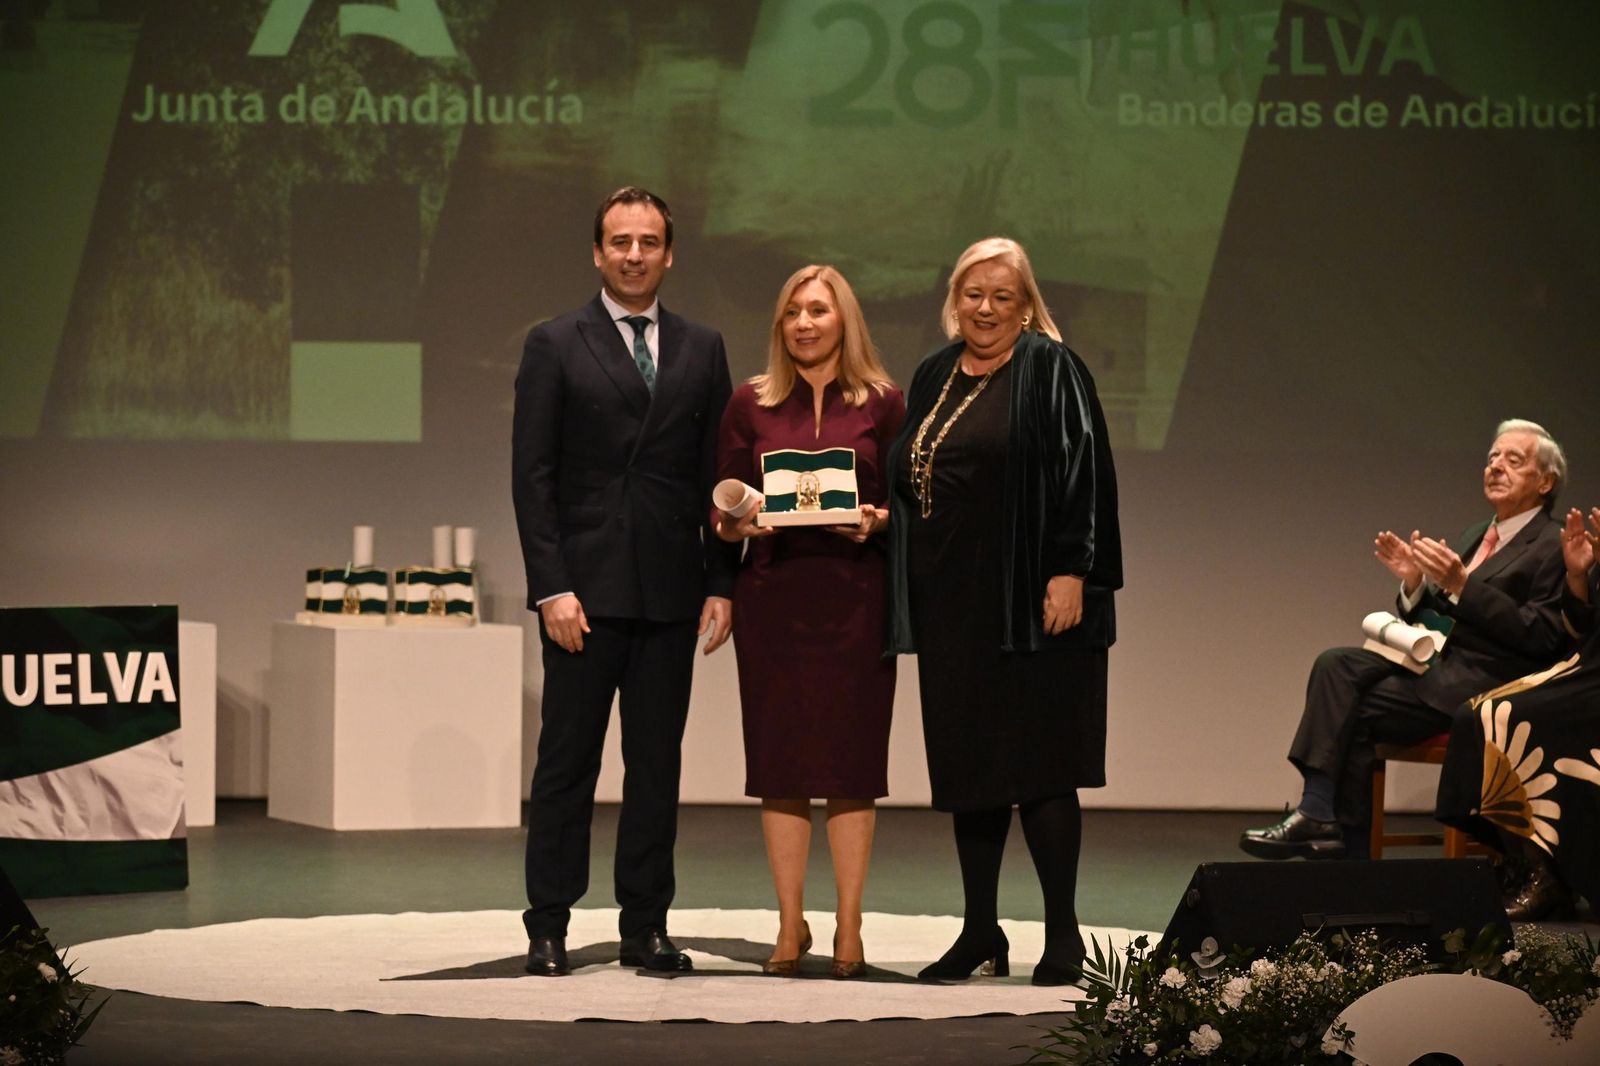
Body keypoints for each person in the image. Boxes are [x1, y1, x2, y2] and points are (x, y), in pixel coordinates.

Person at [884, 237, 1122, 986]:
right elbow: (917, 478)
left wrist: (1071, 569)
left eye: (1003, 297)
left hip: (1035, 600)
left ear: (1026, 306)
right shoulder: (931, 373)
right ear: (954, 299)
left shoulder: (1050, 367)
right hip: (953, 602)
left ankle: (1063, 937)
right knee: (971, 771)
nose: (985, 310)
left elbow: (1084, 472)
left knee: (1044, 769)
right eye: (973, 295)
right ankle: (981, 932)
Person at [512, 186, 738, 977]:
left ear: (669, 253)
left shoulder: (702, 348)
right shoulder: (554, 342)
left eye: (648, 242)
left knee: (656, 766)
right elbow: (532, 477)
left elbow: (719, 475)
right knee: (566, 765)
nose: (634, 254)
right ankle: (548, 926)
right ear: (597, 253)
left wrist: (722, 581)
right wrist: (551, 587)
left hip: (671, 593)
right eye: (620, 242)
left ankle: (645, 924)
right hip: (583, 596)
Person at [1240, 420, 1570, 860]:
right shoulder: (1478, 534)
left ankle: (1335, 837)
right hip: (1431, 661)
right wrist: (1415, 584)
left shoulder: (1555, 543)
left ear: (1546, 481)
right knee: (1335, 663)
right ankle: (1325, 822)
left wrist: (1461, 585)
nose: (1495, 468)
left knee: (1354, 714)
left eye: (1513, 461)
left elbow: (1541, 634)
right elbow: (1445, 613)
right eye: (1492, 458)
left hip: (1482, 682)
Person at [714, 265, 904, 978]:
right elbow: (721, 507)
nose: (803, 323)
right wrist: (739, 521)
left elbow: (906, 508)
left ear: (843, 320)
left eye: (818, 310)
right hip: (774, 602)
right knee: (782, 769)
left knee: (853, 769)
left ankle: (849, 926)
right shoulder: (749, 402)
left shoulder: (884, 404)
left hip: (856, 601)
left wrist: (877, 521)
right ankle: (789, 924)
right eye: (792, 310)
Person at [1436, 505, 1599, 920]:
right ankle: (1528, 865)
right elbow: (1579, 628)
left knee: (1506, 716)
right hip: (1587, 666)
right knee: (1479, 714)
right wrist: (1579, 575)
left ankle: (1548, 874)